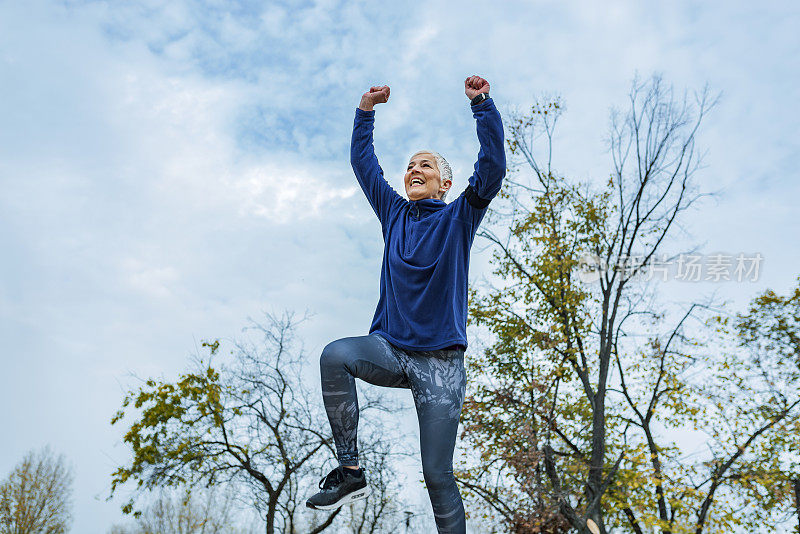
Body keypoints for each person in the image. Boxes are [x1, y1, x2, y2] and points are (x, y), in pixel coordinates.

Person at [306, 75, 505, 534]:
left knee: (437, 474)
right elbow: (364, 165)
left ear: (444, 182)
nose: (414, 170)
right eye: (410, 165)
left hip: (440, 365)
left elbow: (492, 167)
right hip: (392, 349)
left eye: (426, 166)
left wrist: (482, 106)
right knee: (335, 355)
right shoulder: (394, 213)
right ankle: (350, 471)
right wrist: (365, 111)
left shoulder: (460, 216)